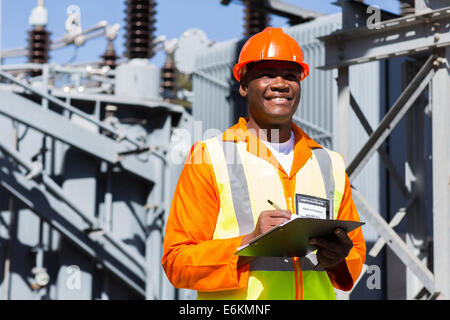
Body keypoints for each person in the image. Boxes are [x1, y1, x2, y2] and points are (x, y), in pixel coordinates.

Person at [162, 27, 366, 300]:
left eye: (291, 76)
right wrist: (250, 242)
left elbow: (355, 255)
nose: (280, 83)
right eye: (267, 74)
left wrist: (338, 258)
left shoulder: (330, 164)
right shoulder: (210, 157)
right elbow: (177, 262)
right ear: (244, 86)